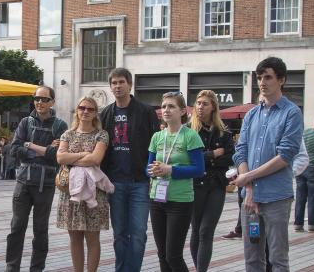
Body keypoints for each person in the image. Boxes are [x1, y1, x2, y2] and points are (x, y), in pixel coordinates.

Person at [231, 57, 302, 272]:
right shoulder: (252, 114)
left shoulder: (292, 113)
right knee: (252, 259)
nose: (262, 82)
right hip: (251, 198)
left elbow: (285, 155)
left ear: (281, 80)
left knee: (278, 258)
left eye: (268, 77)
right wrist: (249, 188)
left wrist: (247, 178)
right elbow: (240, 151)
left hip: (276, 198)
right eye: (259, 77)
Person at [98, 68, 160, 272]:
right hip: (114, 183)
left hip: (139, 182)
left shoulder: (145, 111)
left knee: (139, 234)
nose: (117, 86)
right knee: (119, 234)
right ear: (110, 86)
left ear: (130, 84)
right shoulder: (106, 113)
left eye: (121, 82)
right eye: (114, 83)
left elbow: (156, 144)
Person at [4, 86, 68, 272]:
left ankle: (36, 269)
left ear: (52, 102)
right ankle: (11, 267)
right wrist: (43, 151)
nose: (40, 102)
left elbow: (57, 155)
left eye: (44, 99)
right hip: (23, 182)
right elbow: (14, 150)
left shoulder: (60, 125)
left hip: (45, 184)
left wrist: (30, 146)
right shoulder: (25, 122)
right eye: (37, 98)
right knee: (17, 227)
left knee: (40, 231)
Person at [146, 92, 204, 272]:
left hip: (180, 201)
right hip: (157, 199)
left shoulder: (190, 135)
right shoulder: (157, 137)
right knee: (162, 254)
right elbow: (148, 166)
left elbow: (199, 169)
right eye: (164, 106)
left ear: (182, 111)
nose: (166, 110)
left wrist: (170, 169)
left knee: (173, 255)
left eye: (171, 106)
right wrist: (152, 171)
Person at [56, 96, 112, 272]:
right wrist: (84, 155)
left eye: (90, 109)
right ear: (77, 111)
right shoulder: (67, 134)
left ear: (96, 113)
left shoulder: (101, 134)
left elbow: (96, 159)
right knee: (75, 239)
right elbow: (60, 158)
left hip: (94, 193)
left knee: (92, 239)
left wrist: (72, 158)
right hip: (70, 192)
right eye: (82, 108)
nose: (85, 111)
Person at [187, 90, 233, 271]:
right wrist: (213, 154)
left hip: (216, 185)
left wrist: (203, 158)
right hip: (195, 184)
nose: (200, 107)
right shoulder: (189, 130)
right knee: (196, 229)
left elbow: (230, 157)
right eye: (198, 103)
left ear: (213, 106)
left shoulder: (223, 132)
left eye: (205, 103)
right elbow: (187, 158)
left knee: (206, 231)